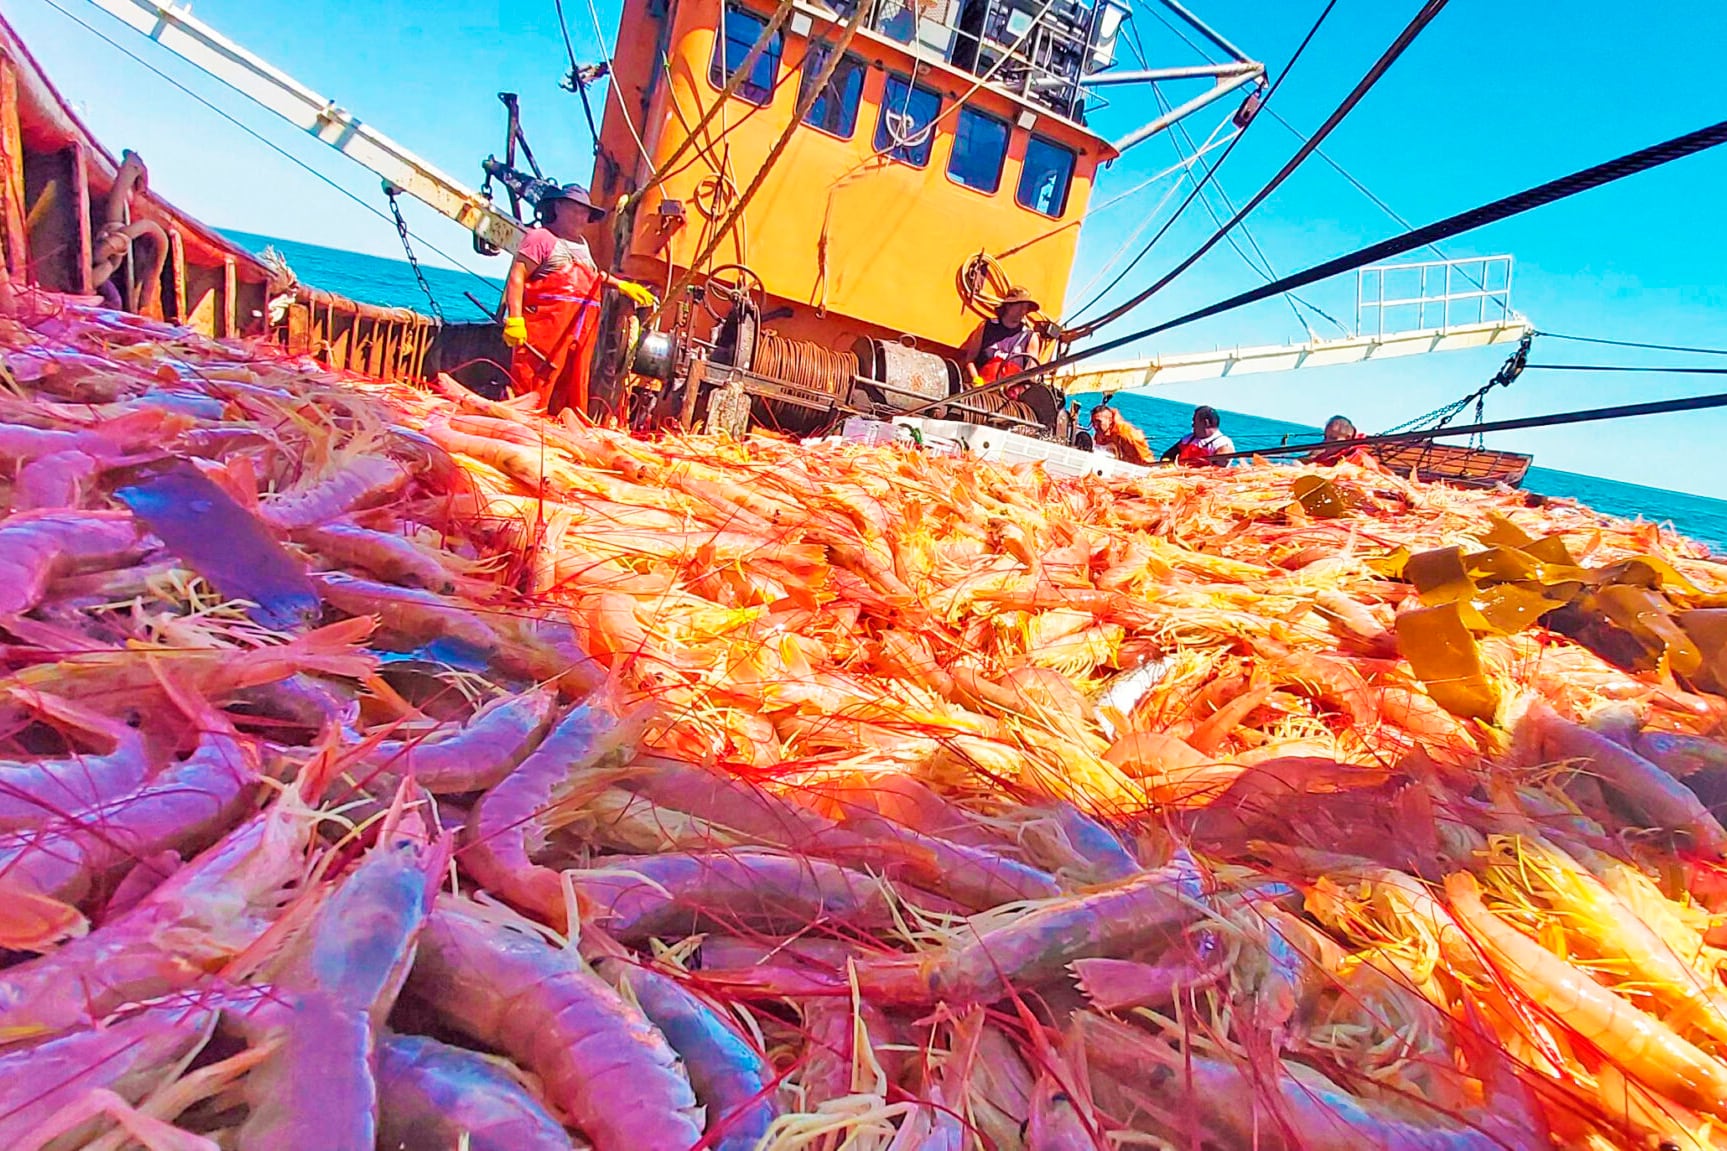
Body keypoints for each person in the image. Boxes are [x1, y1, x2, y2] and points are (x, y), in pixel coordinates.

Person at [500, 183, 656, 415]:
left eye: (585, 212)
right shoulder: (541, 238)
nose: (581, 217)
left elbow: (592, 276)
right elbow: (517, 276)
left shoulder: (583, 245)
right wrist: (514, 319)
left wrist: (621, 285)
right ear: (558, 207)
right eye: (575, 209)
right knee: (531, 390)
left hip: (580, 333)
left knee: (572, 389)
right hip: (545, 332)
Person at [959, 286, 1047, 392]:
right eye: (1020, 306)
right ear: (1008, 306)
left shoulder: (1030, 337)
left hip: (1009, 397)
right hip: (980, 391)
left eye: (1026, 307)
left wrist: (1015, 388)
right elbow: (970, 360)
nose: (1023, 311)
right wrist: (976, 380)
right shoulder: (986, 327)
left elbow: (1031, 375)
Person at [1160, 405, 1234, 466]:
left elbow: (1219, 468)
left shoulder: (1222, 444)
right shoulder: (1189, 438)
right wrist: (1167, 462)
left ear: (1206, 423)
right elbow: (1168, 455)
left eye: (1194, 421)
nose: (1192, 425)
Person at [1089, 404, 1154, 466]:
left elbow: (1147, 460)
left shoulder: (1127, 434)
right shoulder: (1099, 434)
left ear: (1110, 420)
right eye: (1093, 422)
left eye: (1099, 422)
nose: (1095, 426)